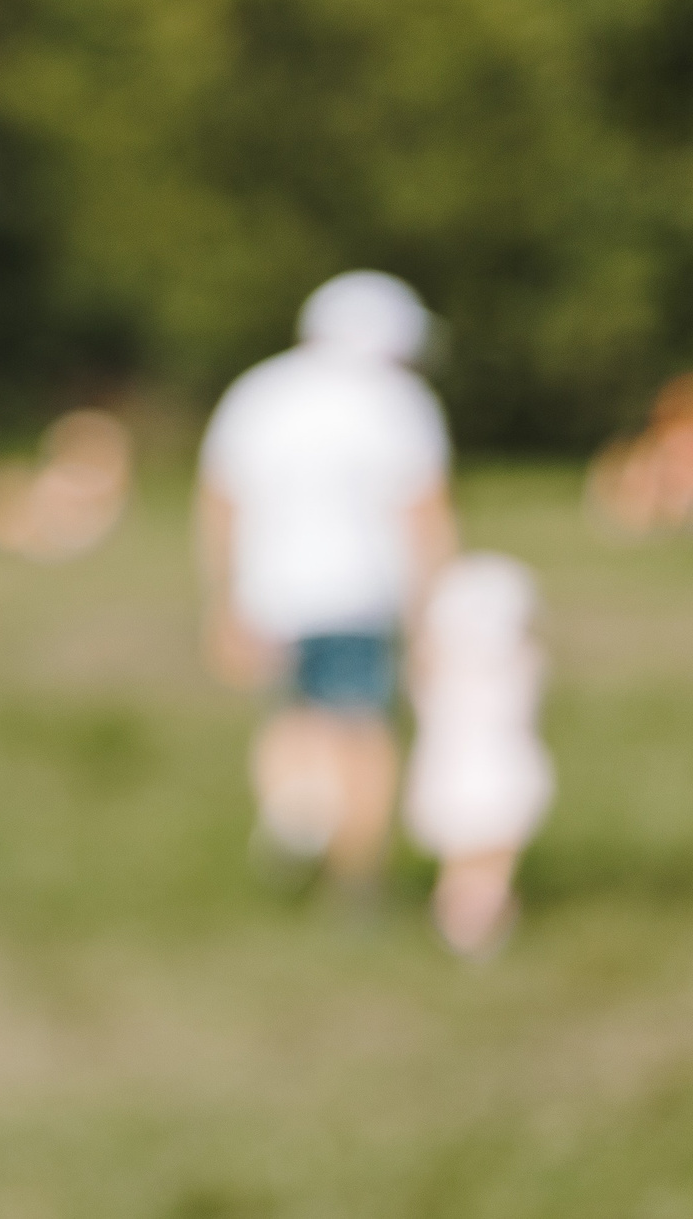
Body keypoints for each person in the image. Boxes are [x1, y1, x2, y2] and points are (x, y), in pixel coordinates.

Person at [197, 271, 458, 895]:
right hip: (361, 595)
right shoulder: (398, 401)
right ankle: (357, 882)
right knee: (362, 732)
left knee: (294, 718)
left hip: (271, 593)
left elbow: (219, 501)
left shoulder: (259, 392)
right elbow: (425, 511)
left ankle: (296, 820)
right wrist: (434, 616)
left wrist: (221, 599)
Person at [405, 552, 554, 957]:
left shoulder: (443, 672)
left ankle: (469, 924)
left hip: (455, 775)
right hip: (493, 774)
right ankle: (475, 924)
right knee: (487, 858)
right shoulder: (516, 666)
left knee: (473, 858)